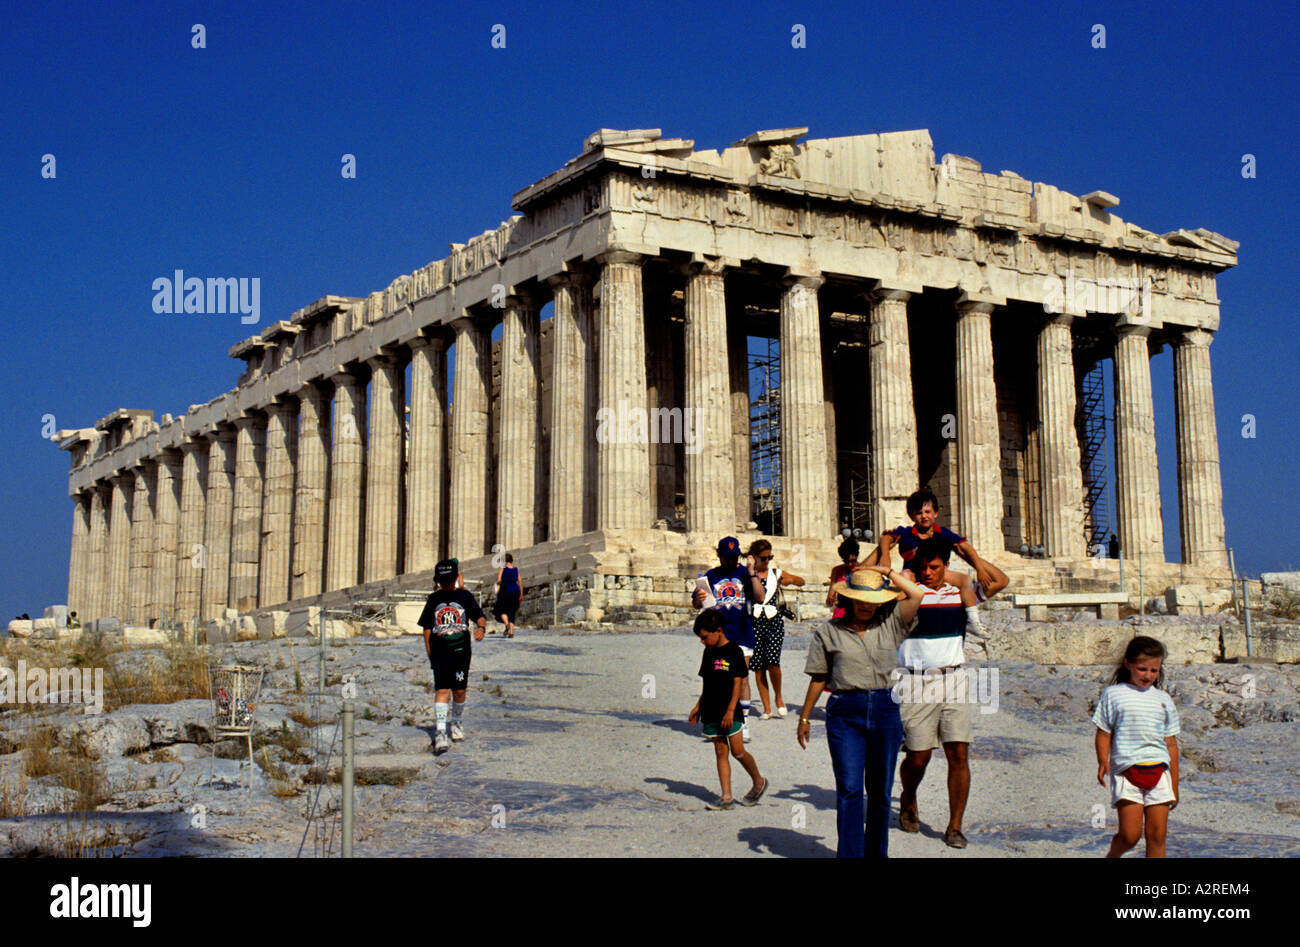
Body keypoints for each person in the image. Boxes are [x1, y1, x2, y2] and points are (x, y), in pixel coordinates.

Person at [797, 564, 926, 858]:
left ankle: (876, 853)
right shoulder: (828, 632)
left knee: (880, 792)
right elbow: (819, 677)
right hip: (845, 713)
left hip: (885, 710)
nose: (866, 605)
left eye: (872, 599)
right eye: (860, 598)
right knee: (850, 789)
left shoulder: (891, 622)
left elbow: (916, 594)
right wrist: (804, 716)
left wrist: (887, 571)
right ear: (849, 599)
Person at [894, 537, 1006, 849]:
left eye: (934, 567)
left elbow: (1000, 581)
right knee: (918, 757)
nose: (928, 573)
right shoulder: (908, 594)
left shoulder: (960, 592)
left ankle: (955, 826)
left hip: (954, 678)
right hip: (916, 683)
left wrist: (972, 558)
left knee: (959, 753)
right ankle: (908, 795)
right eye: (923, 567)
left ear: (946, 567)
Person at [864, 488, 998, 636]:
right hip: (913, 573)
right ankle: (887, 620)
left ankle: (972, 620)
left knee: (965, 579)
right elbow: (886, 538)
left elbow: (965, 548)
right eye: (919, 513)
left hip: (937, 574)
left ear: (935, 513)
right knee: (902, 579)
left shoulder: (942, 533)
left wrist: (980, 569)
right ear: (912, 515)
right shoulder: (906, 532)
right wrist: (885, 556)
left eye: (928, 512)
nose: (924, 516)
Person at [1094, 636, 1180, 858]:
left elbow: (1171, 743)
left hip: (1159, 771)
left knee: (1158, 835)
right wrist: (1103, 761)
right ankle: (1113, 855)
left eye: (1154, 671)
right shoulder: (1113, 695)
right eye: (1142, 669)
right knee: (1130, 835)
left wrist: (1175, 784)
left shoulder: (1163, 699)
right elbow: (1104, 732)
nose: (1148, 675)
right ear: (1128, 664)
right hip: (1126, 770)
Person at [688, 609, 768, 810]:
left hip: (731, 711)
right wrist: (698, 707)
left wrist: (731, 710)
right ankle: (726, 797)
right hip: (711, 709)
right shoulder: (708, 652)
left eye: (705, 637)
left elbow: (738, 684)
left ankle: (758, 781)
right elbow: (707, 683)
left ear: (719, 631)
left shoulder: (734, 651)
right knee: (720, 751)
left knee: (738, 751)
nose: (703, 641)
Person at [691, 536, 765, 742]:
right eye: (727, 558)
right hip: (717, 636)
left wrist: (752, 573)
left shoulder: (744, 573)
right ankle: (717, 719)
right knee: (715, 678)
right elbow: (697, 605)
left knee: (741, 679)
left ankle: (744, 723)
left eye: (734, 558)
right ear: (720, 557)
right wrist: (698, 600)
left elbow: (760, 597)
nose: (731, 562)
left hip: (742, 633)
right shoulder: (711, 576)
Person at [416, 558, 487, 755]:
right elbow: (427, 628)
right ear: (438, 581)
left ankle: (456, 722)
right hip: (440, 651)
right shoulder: (433, 599)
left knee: (460, 691)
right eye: (442, 581)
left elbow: (479, 615)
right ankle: (440, 732)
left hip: (461, 652)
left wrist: (481, 627)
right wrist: (430, 652)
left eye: (449, 580)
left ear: (456, 578)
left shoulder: (465, 596)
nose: (446, 584)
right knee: (442, 690)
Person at [747, 539, 804, 719]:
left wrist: (792, 580)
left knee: (773, 661)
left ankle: (778, 697)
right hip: (754, 621)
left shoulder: (775, 573)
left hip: (773, 621)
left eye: (769, 557)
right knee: (758, 666)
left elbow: (800, 581)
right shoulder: (747, 574)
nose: (767, 561)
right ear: (754, 557)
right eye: (763, 558)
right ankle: (766, 708)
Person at [824, 537, 859, 621]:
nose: (850, 564)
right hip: (840, 614)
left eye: (853, 561)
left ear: (857, 555)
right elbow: (829, 599)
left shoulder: (863, 570)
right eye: (846, 561)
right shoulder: (837, 571)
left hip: (857, 613)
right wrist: (831, 600)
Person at [493, 553, 521, 638]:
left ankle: (507, 624)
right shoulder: (516, 569)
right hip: (515, 591)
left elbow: (498, 580)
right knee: (512, 612)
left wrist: (499, 585)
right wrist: (521, 594)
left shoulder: (503, 568)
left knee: (502, 610)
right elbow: (520, 582)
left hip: (505, 591)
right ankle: (511, 632)